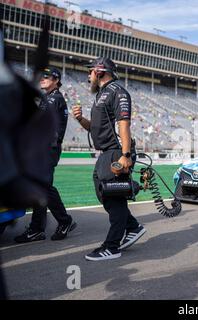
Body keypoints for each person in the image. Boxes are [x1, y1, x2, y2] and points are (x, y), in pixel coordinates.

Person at [73, 57, 146, 261]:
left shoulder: (117, 91)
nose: (88, 76)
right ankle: (133, 226)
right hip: (106, 151)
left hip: (115, 151)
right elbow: (95, 129)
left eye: (90, 72)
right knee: (103, 191)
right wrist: (80, 119)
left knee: (114, 197)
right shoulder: (101, 95)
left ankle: (112, 246)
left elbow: (124, 124)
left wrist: (125, 155)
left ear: (99, 71)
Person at [14, 67, 77, 243]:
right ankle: (36, 229)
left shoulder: (53, 99)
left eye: (46, 77)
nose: (42, 79)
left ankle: (64, 221)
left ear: (56, 80)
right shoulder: (49, 99)